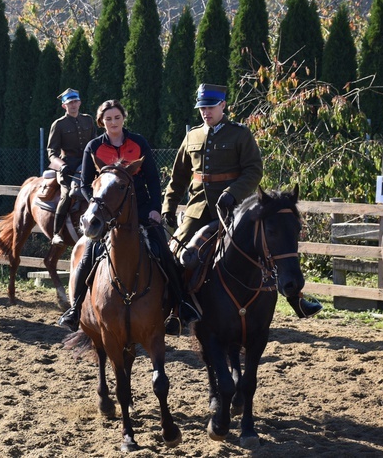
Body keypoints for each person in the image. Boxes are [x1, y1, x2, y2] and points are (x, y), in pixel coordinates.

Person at [162, 83, 321, 321]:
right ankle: (177, 308)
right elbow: (178, 178)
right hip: (197, 210)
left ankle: (296, 300)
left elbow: (254, 170)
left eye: (211, 107)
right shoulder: (192, 135)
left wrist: (232, 193)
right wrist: (168, 207)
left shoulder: (240, 133)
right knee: (176, 254)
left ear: (223, 106)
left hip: (235, 210)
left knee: (269, 248)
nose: (206, 112)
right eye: (202, 108)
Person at [57, 99, 194, 332]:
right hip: (106, 214)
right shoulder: (93, 147)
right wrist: (95, 206)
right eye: (108, 119)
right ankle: (75, 308)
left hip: (139, 209)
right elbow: (84, 185)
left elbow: (152, 179)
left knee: (162, 250)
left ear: (123, 118)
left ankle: (181, 306)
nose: (113, 122)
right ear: (101, 122)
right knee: (88, 253)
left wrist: (154, 208)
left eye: (117, 117)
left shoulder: (138, 143)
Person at [46, 88, 96, 245]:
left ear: (80, 102)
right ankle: (56, 233)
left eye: (75, 101)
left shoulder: (88, 120)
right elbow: (51, 152)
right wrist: (61, 166)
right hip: (68, 168)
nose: (73, 105)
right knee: (67, 195)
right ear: (64, 106)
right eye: (70, 103)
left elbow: (95, 145)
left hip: (87, 165)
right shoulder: (59, 125)